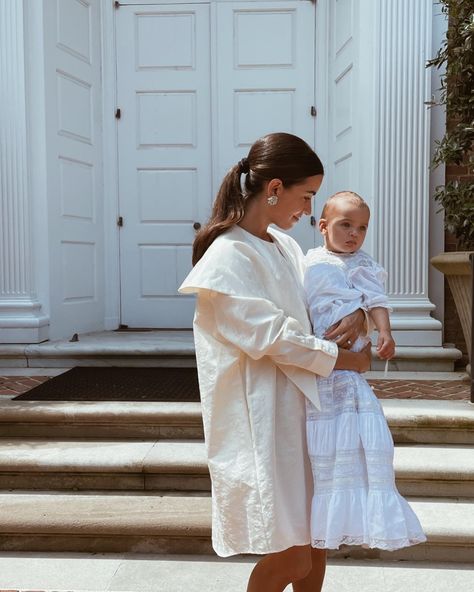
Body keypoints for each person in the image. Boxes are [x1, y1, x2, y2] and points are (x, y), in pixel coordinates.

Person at [179, 133, 372, 592]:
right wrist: (348, 361)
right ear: (274, 188)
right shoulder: (225, 257)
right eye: (306, 196)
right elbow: (272, 337)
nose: (309, 209)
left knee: (316, 544)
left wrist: (360, 311)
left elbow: (321, 291)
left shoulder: (284, 246)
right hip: (264, 423)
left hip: (307, 412)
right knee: (291, 558)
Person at [304, 190, 427, 552]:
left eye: (361, 228)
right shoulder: (308, 261)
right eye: (345, 225)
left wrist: (384, 332)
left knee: (351, 419)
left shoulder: (363, 265)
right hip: (317, 349)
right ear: (323, 226)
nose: (354, 234)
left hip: (347, 357)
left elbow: (376, 302)